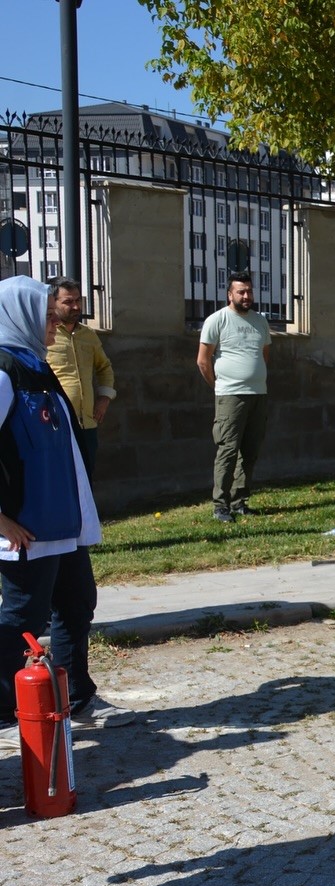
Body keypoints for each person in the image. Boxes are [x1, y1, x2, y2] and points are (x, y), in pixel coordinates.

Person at [0, 277, 133, 746]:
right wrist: (2, 520)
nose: (56, 322)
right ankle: (6, 709)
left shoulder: (36, 367)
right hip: (28, 528)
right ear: (22, 315)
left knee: (76, 603)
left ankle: (76, 698)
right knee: (21, 621)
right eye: (48, 314)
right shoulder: (2, 372)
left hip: (62, 523)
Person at [197, 272, 270, 524]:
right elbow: (203, 360)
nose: (246, 296)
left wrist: (255, 377)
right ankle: (220, 505)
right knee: (228, 450)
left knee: (250, 451)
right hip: (230, 395)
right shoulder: (217, 320)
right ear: (230, 294)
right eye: (241, 291)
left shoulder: (260, 321)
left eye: (249, 290)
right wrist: (219, 386)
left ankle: (240, 501)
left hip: (258, 394)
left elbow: (264, 355)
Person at [45, 277, 116, 480]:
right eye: (68, 302)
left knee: (85, 479)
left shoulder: (88, 335)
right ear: (52, 302)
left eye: (78, 300)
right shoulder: (45, 334)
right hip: (56, 424)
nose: (75, 306)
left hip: (87, 425)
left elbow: (104, 367)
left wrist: (104, 398)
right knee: (58, 480)